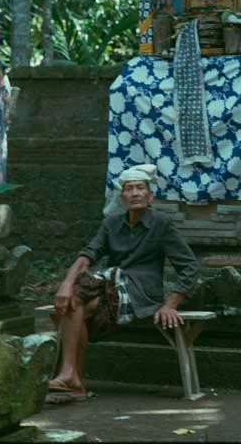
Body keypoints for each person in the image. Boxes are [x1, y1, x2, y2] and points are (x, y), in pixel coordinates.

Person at [48, 164, 199, 400]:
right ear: (122, 196)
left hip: (141, 292)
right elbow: (89, 254)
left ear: (151, 196)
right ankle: (73, 381)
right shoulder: (111, 223)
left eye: (141, 188)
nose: (135, 193)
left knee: (76, 303)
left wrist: (171, 304)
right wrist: (66, 283)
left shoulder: (161, 224)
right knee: (73, 304)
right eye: (129, 189)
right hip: (110, 287)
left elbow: (189, 266)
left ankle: (70, 376)